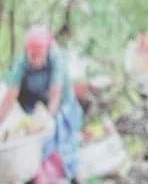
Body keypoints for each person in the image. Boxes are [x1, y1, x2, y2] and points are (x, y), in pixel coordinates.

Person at [0, 25, 85, 180]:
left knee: (64, 149)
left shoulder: (56, 59)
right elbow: (10, 97)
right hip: (38, 106)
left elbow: (55, 94)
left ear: (46, 52)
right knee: (36, 152)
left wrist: (47, 121)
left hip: (61, 108)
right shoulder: (22, 63)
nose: (34, 60)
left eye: (39, 55)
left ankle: (74, 177)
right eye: (32, 55)